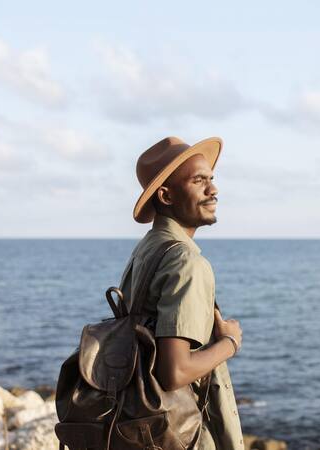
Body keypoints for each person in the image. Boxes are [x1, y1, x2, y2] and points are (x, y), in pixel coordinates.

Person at [117, 136, 244, 450]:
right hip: (179, 435)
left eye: (211, 179)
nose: (213, 190)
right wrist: (230, 342)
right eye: (199, 180)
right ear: (166, 195)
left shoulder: (147, 248)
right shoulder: (186, 261)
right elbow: (174, 371)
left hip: (141, 426)